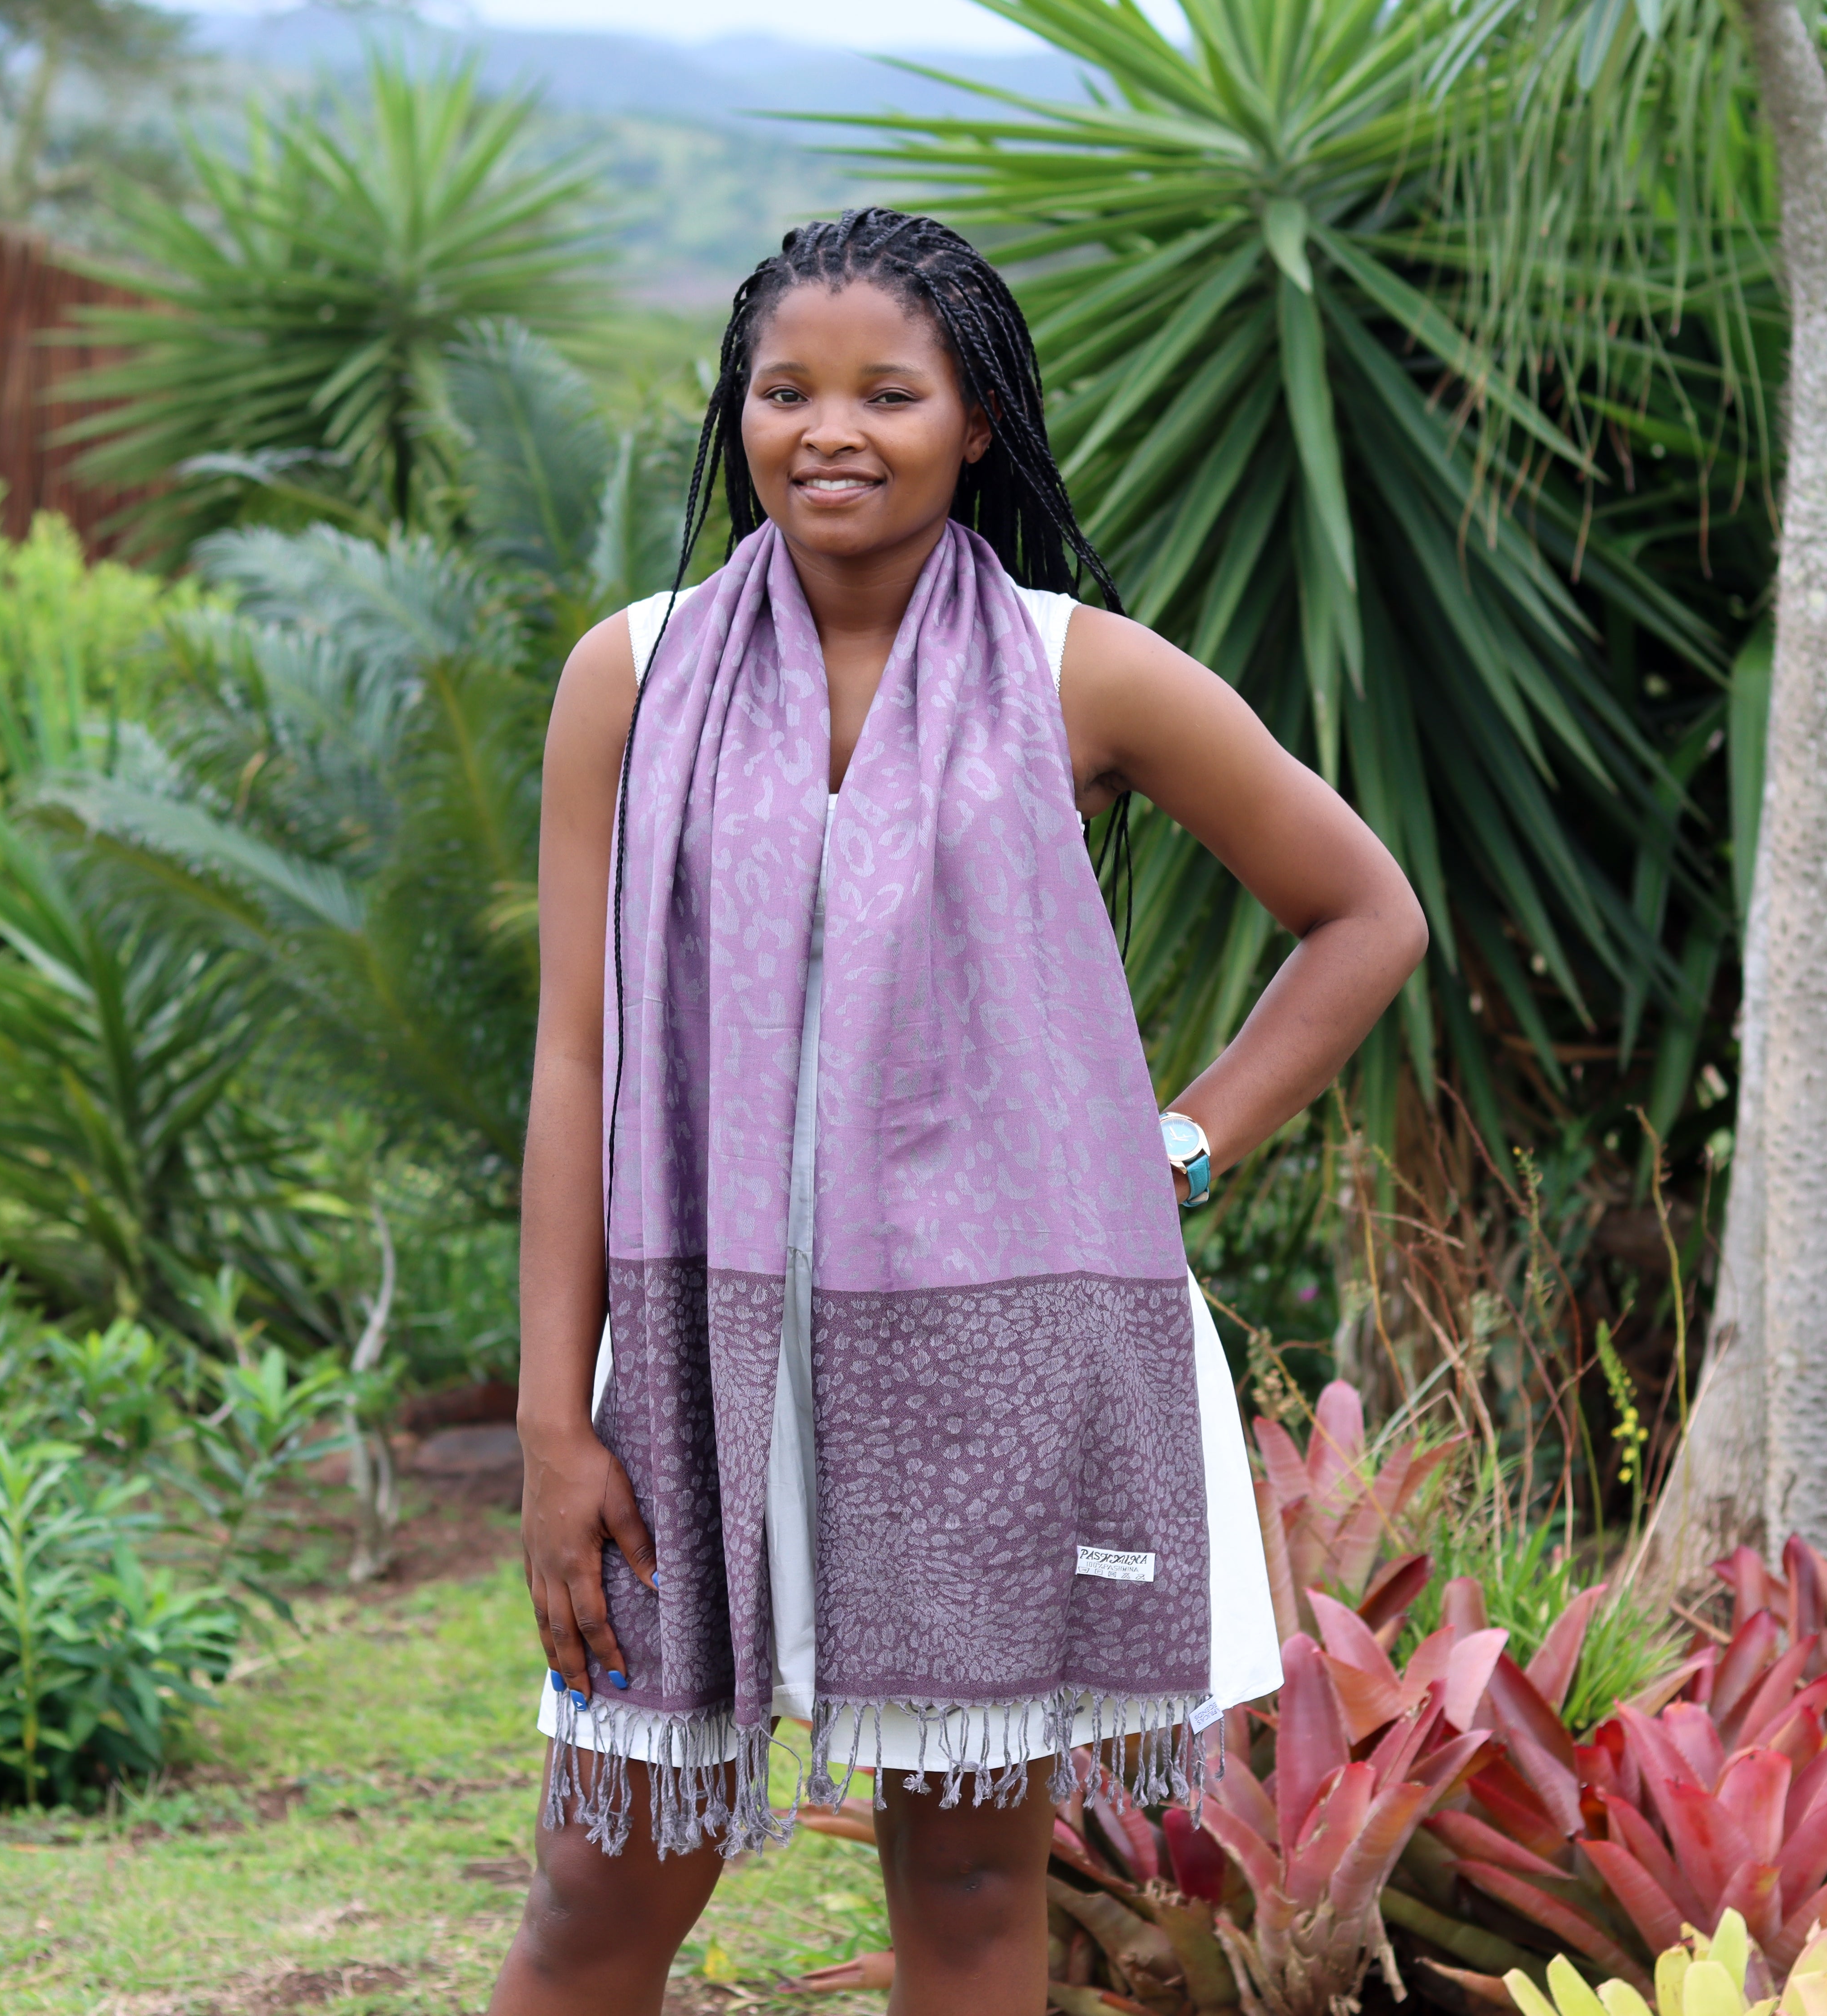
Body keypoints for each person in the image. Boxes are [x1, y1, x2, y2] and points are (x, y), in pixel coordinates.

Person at [491, 207, 1427, 2016]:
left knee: (977, 1891)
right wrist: (553, 1417)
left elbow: (1362, 912)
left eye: (885, 393)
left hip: (1001, 1368)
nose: (827, 428)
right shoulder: (633, 672)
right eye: (783, 390)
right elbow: (575, 1061)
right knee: (599, 1887)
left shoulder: (1083, 670)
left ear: (975, 422)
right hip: (700, 1358)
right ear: (738, 413)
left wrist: (1177, 1142)